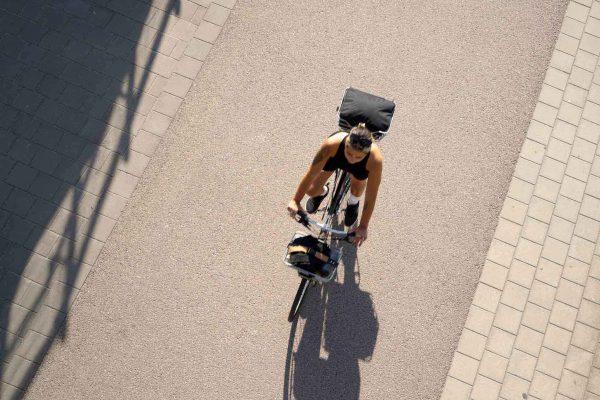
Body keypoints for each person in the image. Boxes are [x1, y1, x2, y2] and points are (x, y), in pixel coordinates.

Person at [287, 123, 383, 247]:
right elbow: (311, 174)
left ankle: (353, 202)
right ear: (346, 144)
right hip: (336, 158)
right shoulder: (331, 144)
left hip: (361, 168)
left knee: (357, 188)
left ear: (366, 153)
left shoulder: (375, 160)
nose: (352, 159)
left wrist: (364, 225)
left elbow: (371, 195)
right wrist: (296, 200)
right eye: (349, 153)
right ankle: (323, 192)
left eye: (358, 157)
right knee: (311, 190)